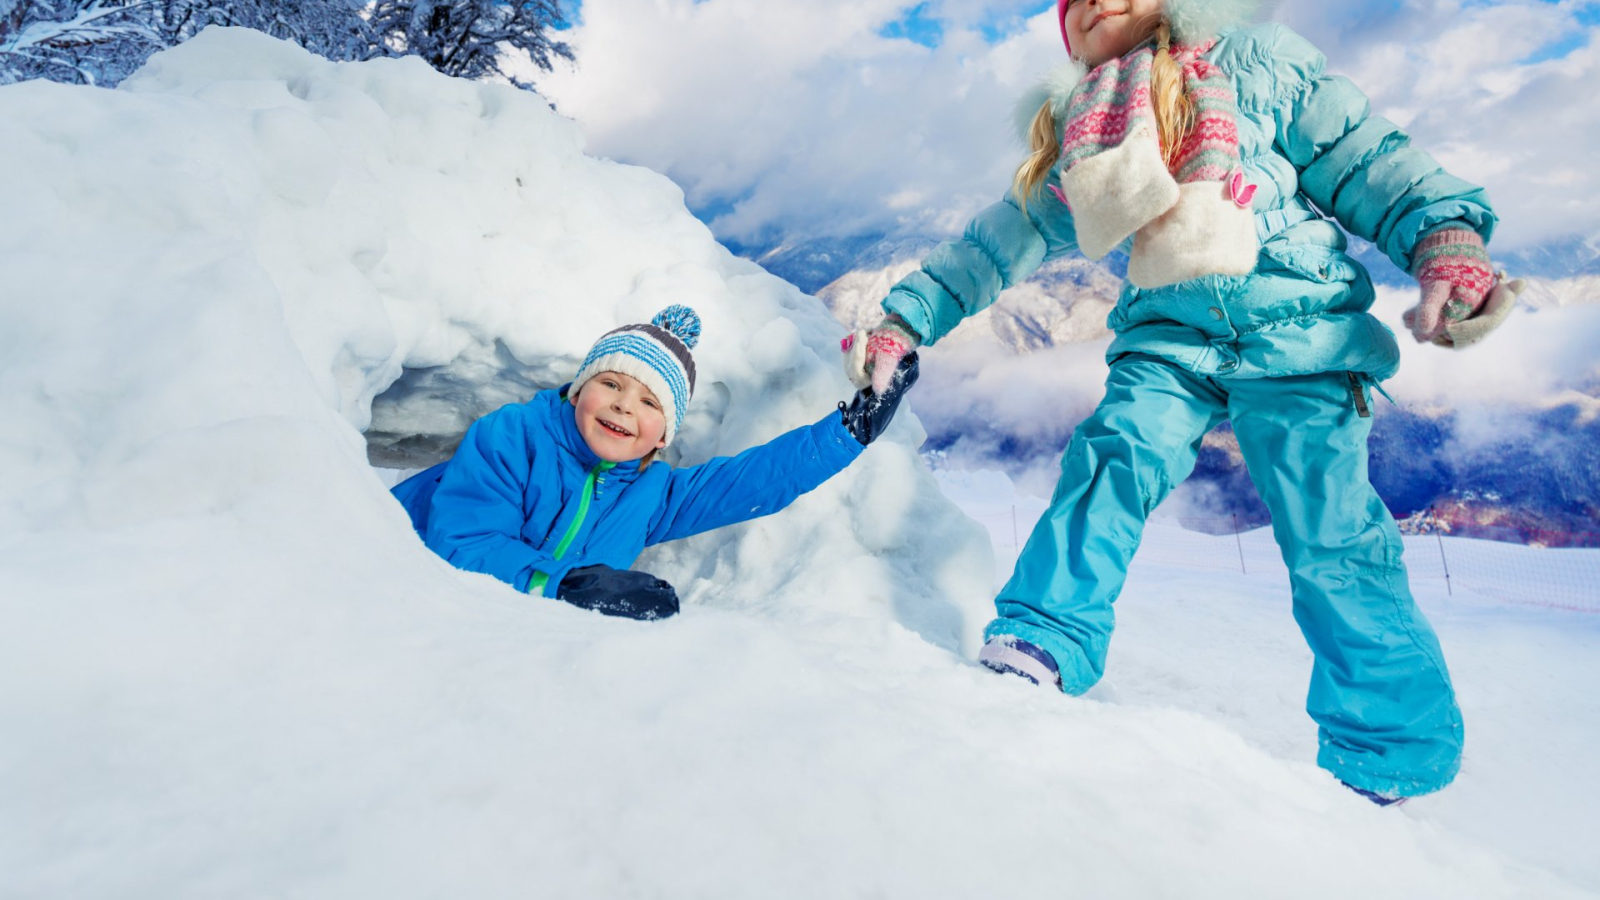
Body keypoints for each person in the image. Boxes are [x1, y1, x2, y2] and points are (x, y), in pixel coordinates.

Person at [844, 0, 1520, 804]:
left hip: (1298, 330)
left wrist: (1445, 235)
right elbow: (1001, 239)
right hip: (1169, 339)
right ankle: (1040, 640)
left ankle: (1390, 753)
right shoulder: (1087, 130)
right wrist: (907, 318)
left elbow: (1365, 158)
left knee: (1331, 531)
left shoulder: (1259, 64)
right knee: (1110, 463)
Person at [396, 305, 918, 621]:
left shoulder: (650, 494)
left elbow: (751, 481)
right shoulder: (512, 438)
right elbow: (462, 544)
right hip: (399, 594)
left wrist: (853, 430)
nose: (625, 405)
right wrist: (568, 585)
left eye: (650, 404)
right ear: (579, 390)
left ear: (662, 437)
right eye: (611, 384)